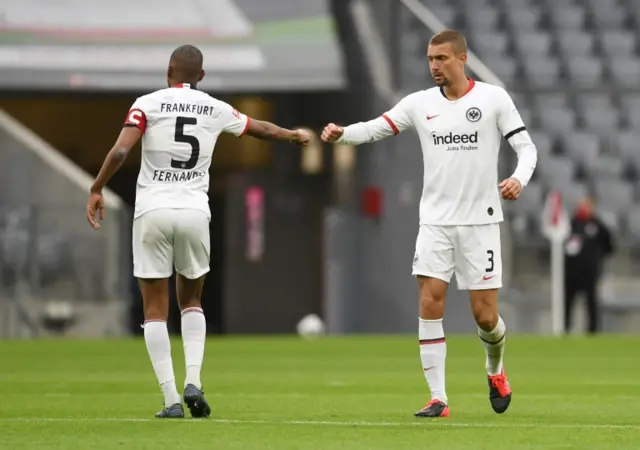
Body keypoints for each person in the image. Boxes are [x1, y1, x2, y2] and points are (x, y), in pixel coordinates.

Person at [86, 45, 310, 419]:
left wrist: (96, 188)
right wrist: (293, 135)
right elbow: (260, 129)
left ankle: (171, 399)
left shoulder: (148, 103)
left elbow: (121, 153)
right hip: (193, 211)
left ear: (168, 71)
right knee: (192, 301)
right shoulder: (214, 107)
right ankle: (194, 379)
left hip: (153, 211)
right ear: (201, 76)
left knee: (154, 308)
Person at [321, 30, 537, 417]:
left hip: (480, 222)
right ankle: (438, 398)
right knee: (429, 301)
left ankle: (495, 368)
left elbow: (526, 147)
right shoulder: (419, 104)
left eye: (441, 58)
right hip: (435, 222)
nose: (434, 65)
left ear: (461, 58)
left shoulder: (492, 99)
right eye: (430, 59)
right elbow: (376, 127)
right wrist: (342, 136)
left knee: (485, 317)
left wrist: (519, 178)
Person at [564, 197, 615, 334]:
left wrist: (596, 257)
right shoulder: (571, 224)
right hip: (571, 273)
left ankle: (593, 331)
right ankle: (565, 329)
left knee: (591, 302)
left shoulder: (598, 225)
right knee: (568, 302)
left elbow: (609, 245)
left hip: (590, 273)